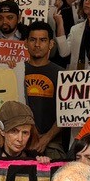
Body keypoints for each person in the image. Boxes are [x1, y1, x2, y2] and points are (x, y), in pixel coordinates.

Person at [22, 22, 65, 158]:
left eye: (43, 40)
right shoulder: (15, 71)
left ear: (51, 44)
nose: (37, 45)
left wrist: (46, 138)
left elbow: (66, 113)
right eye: (33, 40)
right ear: (25, 43)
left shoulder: (62, 74)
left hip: (52, 142)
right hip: (20, 140)